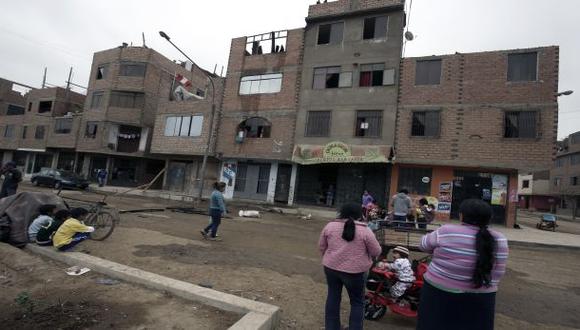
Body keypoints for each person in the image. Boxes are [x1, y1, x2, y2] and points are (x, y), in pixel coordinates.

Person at [417, 199, 509, 330]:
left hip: (438, 294)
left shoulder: (446, 231)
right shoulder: (500, 239)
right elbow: (499, 269)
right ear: (489, 218)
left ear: (461, 216)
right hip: (482, 299)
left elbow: (423, 245)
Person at [318, 203, 382, 330]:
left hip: (331, 269)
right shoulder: (365, 231)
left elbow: (321, 247)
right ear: (360, 215)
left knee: (333, 297)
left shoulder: (330, 226)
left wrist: (331, 258)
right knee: (357, 302)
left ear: (341, 213)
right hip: (356, 272)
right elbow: (376, 251)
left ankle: (331, 327)